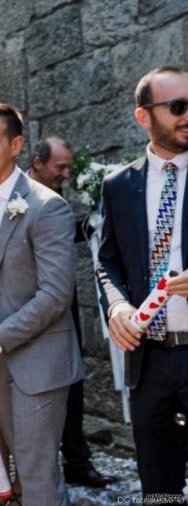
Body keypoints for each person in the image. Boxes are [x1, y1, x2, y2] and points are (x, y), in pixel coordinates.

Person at [0, 103, 84, 505]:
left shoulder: (47, 207)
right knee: (20, 476)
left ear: (16, 146)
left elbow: (55, 295)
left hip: (39, 365)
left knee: (39, 475)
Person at [98, 65, 188, 504]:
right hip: (149, 364)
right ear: (144, 117)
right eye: (178, 106)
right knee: (160, 491)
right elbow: (107, 262)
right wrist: (116, 307)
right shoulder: (118, 186)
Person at [29, 137, 117, 488]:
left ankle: (78, 465)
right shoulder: (16, 195)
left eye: (68, 168)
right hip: (27, 313)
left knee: (74, 389)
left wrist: (98, 217)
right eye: (59, 168)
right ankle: (35, 476)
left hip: (63, 312)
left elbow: (65, 234)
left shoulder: (57, 196)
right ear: (37, 162)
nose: (65, 174)